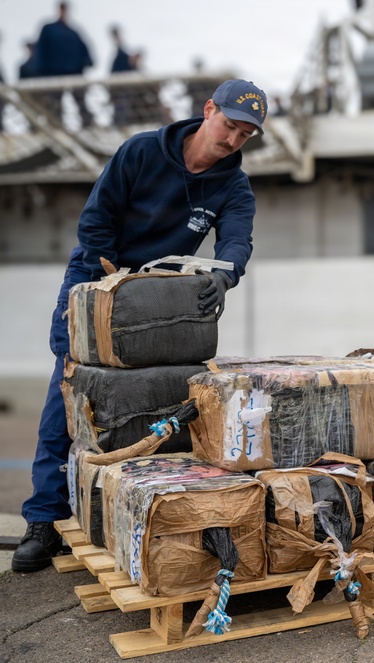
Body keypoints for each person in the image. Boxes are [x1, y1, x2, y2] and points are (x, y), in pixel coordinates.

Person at [12, 79, 268, 572]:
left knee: (152, 396)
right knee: (69, 392)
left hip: (159, 296)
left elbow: (237, 240)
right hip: (97, 278)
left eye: (245, 136)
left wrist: (225, 273)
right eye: (229, 126)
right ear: (208, 109)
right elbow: (95, 224)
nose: (233, 140)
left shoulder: (233, 185)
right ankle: (44, 520)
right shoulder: (141, 152)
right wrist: (113, 283)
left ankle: (114, 514)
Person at [33, 2, 94, 126]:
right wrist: (41, 70)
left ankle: (88, 124)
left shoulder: (73, 32)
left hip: (74, 73)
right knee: (55, 104)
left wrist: (85, 63)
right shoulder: (49, 29)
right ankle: (56, 125)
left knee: (81, 101)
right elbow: (42, 50)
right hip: (55, 74)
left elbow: (84, 51)